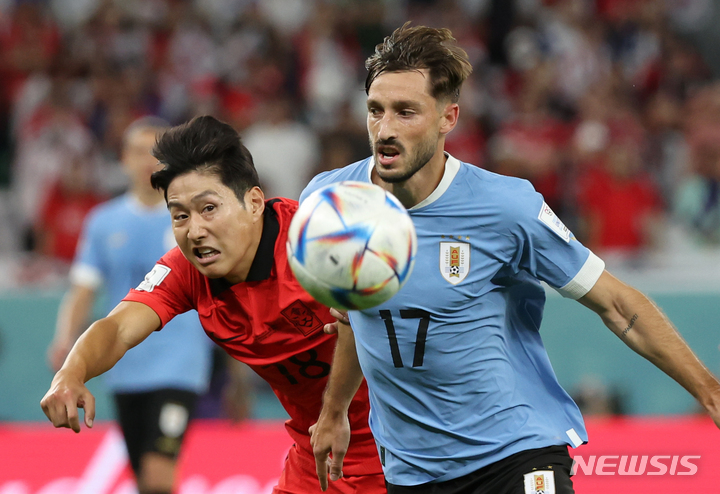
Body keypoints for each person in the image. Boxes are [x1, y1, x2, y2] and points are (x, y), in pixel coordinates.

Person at [306, 24, 720, 494]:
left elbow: (617, 304)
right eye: (375, 110)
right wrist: (334, 411)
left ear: (447, 118)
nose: (385, 130)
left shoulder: (505, 207)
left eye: (406, 112)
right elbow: (353, 314)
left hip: (515, 454)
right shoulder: (330, 203)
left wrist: (710, 392)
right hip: (411, 472)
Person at [40, 115, 386, 494]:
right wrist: (71, 373)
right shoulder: (186, 271)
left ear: (254, 202)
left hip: (401, 448)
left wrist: (335, 411)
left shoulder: (316, 240)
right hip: (318, 452)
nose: (195, 230)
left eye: (208, 208)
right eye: (180, 216)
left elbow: (370, 316)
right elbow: (118, 327)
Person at [46, 117, 215, 494]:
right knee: (143, 478)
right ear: (123, 159)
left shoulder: (193, 218)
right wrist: (65, 340)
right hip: (125, 366)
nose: (147, 161)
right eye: (139, 152)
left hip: (180, 364)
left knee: (158, 473)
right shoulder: (104, 222)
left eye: (156, 152)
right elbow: (83, 289)